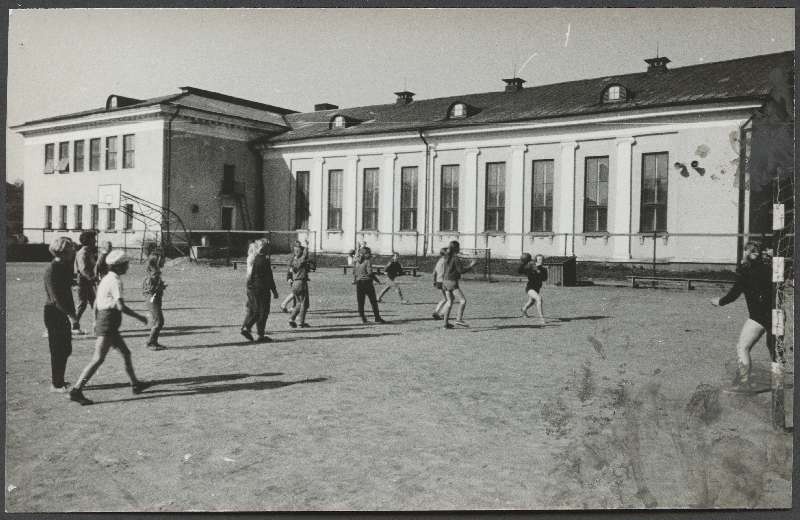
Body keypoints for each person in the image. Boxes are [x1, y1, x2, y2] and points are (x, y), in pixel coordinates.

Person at [68, 251, 150, 406]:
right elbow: (120, 306)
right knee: (98, 359)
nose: (128, 267)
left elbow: (97, 305)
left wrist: (95, 321)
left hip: (106, 322)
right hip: (108, 323)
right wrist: (140, 317)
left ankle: (135, 384)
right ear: (119, 266)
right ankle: (76, 390)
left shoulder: (106, 279)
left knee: (126, 353)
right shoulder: (115, 281)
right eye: (126, 264)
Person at [711, 241, 779, 391]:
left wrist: (720, 301)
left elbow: (734, 294)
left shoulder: (746, 271)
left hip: (759, 316)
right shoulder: (771, 269)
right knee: (774, 350)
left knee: (742, 347)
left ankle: (744, 382)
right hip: (778, 314)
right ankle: (778, 383)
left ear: (748, 253)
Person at [43, 237, 79, 393]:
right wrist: (72, 316)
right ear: (63, 251)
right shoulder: (52, 268)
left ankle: (59, 380)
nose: (73, 252)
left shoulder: (62, 266)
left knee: (65, 348)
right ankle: (56, 384)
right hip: (55, 312)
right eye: (71, 249)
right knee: (58, 350)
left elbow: (66, 285)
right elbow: (56, 297)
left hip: (61, 311)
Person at [240, 239, 279, 342]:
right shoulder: (265, 260)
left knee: (257, 311)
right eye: (268, 247)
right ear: (264, 248)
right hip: (263, 289)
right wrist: (274, 290)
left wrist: (250, 287)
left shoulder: (255, 258)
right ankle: (252, 330)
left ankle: (251, 330)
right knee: (263, 312)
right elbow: (269, 277)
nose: (270, 249)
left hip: (254, 288)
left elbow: (251, 276)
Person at [440, 241, 477, 329]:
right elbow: (461, 271)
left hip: (445, 281)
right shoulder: (455, 258)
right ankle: (459, 319)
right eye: (459, 247)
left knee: (449, 302)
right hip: (452, 282)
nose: (460, 248)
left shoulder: (446, 257)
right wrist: (471, 265)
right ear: (456, 248)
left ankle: (445, 324)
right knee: (463, 301)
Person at [353, 246, 386, 324]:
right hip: (367, 283)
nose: (370, 254)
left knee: (361, 302)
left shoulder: (356, 261)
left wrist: (356, 279)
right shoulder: (367, 261)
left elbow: (354, 272)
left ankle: (363, 318)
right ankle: (377, 317)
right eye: (369, 253)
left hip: (359, 283)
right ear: (365, 254)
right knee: (373, 301)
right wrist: (377, 280)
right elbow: (370, 273)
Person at [73, 231, 98, 334]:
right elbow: (83, 269)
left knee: (94, 303)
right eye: (93, 238)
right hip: (82, 282)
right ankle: (74, 326)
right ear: (88, 240)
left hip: (88, 282)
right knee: (82, 304)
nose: (95, 240)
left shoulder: (89, 252)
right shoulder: (83, 253)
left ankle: (98, 325)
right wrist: (92, 278)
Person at [142, 252, 168, 349]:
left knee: (156, 321)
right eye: (162, 259)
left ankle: (154, 342)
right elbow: (150, 289)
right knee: (159, 322)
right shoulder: (154, 273)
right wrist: (160, 287)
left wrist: (160, 286)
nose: (164, 261)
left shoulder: (153, 271)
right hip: (153, 300)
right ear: (156, 261)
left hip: (153, 299)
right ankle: (150, 343)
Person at [287, 240, 313, 328]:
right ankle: (301, 322)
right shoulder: (300, 259)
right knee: (304, 303)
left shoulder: (293, 260)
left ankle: (291, 319)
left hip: (294, 283)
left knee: (298, 303)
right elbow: (305, 255)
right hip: (301, 282)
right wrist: (306, 245)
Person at [519, 253, 548, 323]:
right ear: (536, 260)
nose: (541, 260)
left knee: (532, 302)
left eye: (542, 259)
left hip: (537, 288)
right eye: (539, 259)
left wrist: (539, 271)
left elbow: (544, 279)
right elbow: (520, 271)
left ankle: (523, 309)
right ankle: (542, 318)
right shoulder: (531, 267)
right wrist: (524, 264)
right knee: (539, 299)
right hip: (530, 288)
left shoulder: (544, 269)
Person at [431, 247, 448, 320]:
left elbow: (434, 272)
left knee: (445, 298)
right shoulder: (446, 261)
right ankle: (442, 314)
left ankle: (436, 312)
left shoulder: (439, 261)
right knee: (450, 299)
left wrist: (434, 281)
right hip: (444, 282)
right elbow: (445, 272)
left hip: (438, 281)